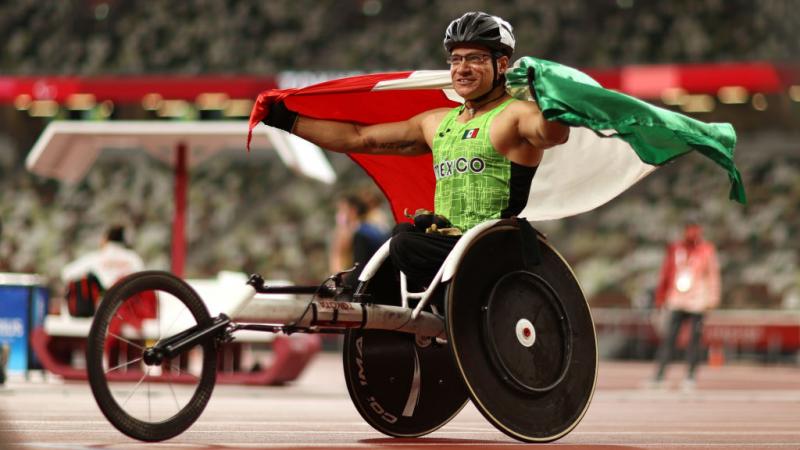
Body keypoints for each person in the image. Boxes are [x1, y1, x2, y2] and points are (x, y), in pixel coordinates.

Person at [260, 11, 569, 289]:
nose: (462, 68)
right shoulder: (435, 123)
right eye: (455, 59)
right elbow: (359, 137)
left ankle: (354, 286)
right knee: (402, 235)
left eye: (474, 58)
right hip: (445, 245)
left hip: (491, 246)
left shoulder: (517, 114)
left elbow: (552, 133)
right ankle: (361, 290)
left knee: (404, 242)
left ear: (501, 64)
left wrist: (553, 96)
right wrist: (285, 119)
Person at [650, 222, 721, 389]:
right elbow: (666, 273)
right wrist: (660, 296)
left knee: (694, 341)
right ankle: (660, 375)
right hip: (677, 299)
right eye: (689, 228)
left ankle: (690, 376)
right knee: (669, 339)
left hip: (698, 301)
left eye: (696, 229)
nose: (692, 232)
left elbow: (713, 275)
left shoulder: (706, 250)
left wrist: (712, 298)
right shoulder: (675, 249)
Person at [61, 224, 144, 297]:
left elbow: (67, 273)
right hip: (135, 302)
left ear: (106, 239)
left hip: (107, 305)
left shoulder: (98, 257)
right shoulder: (133, 257)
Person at [329, 193, 389, 286]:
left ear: (353, 210)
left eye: (342, 210)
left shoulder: (362, 235)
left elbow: (360, 274)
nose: (339, 215)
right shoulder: (368, 229)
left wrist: (343, 286)